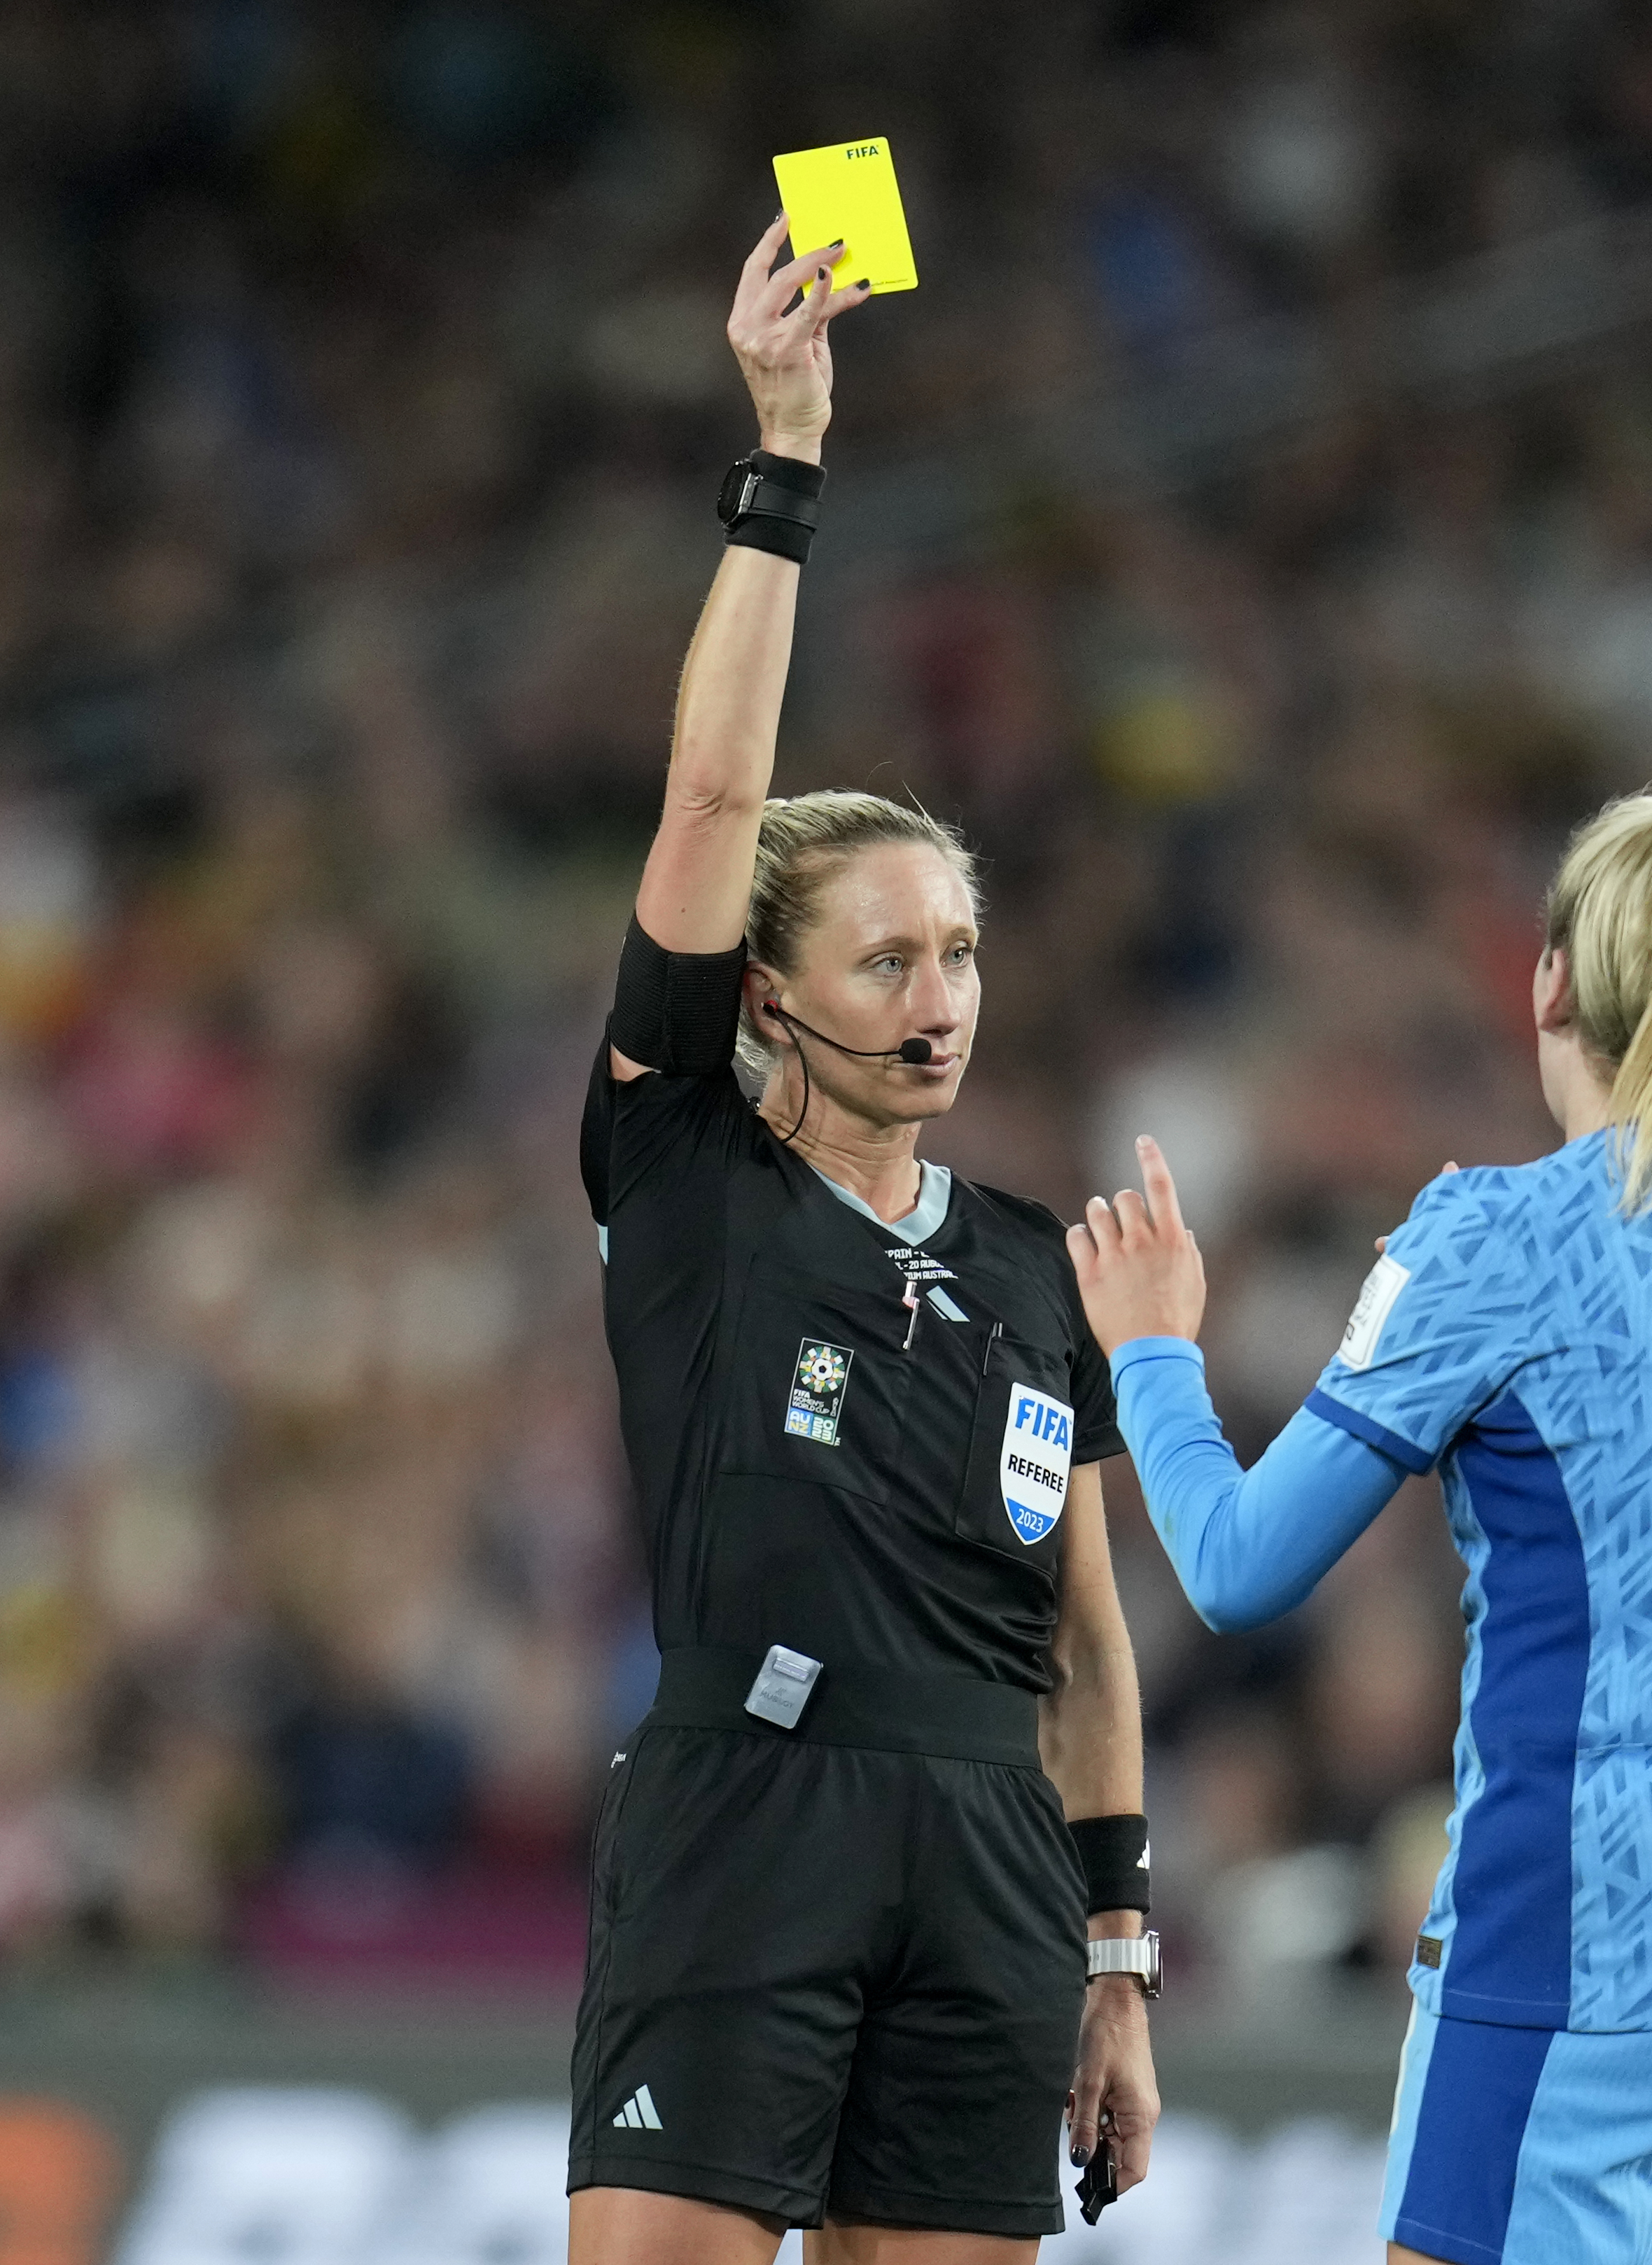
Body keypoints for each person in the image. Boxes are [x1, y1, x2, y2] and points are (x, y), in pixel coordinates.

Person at [1068, 748, 1652, 2265]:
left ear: (1546, 985)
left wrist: (1152, 1352)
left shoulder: (1507, 1233)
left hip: (1605, 1914)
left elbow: (1240, 1561)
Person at [566, 218, 1160, 2265]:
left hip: (989, 1859)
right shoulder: (690, 1177)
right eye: (888, 952)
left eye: (963, 949)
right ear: (764, 990)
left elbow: (1083, 1638)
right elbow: (716, 790)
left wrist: (1117, 1956)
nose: (943, 992)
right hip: (749, 1807)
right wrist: (784, 459)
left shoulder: (1027, 1260)